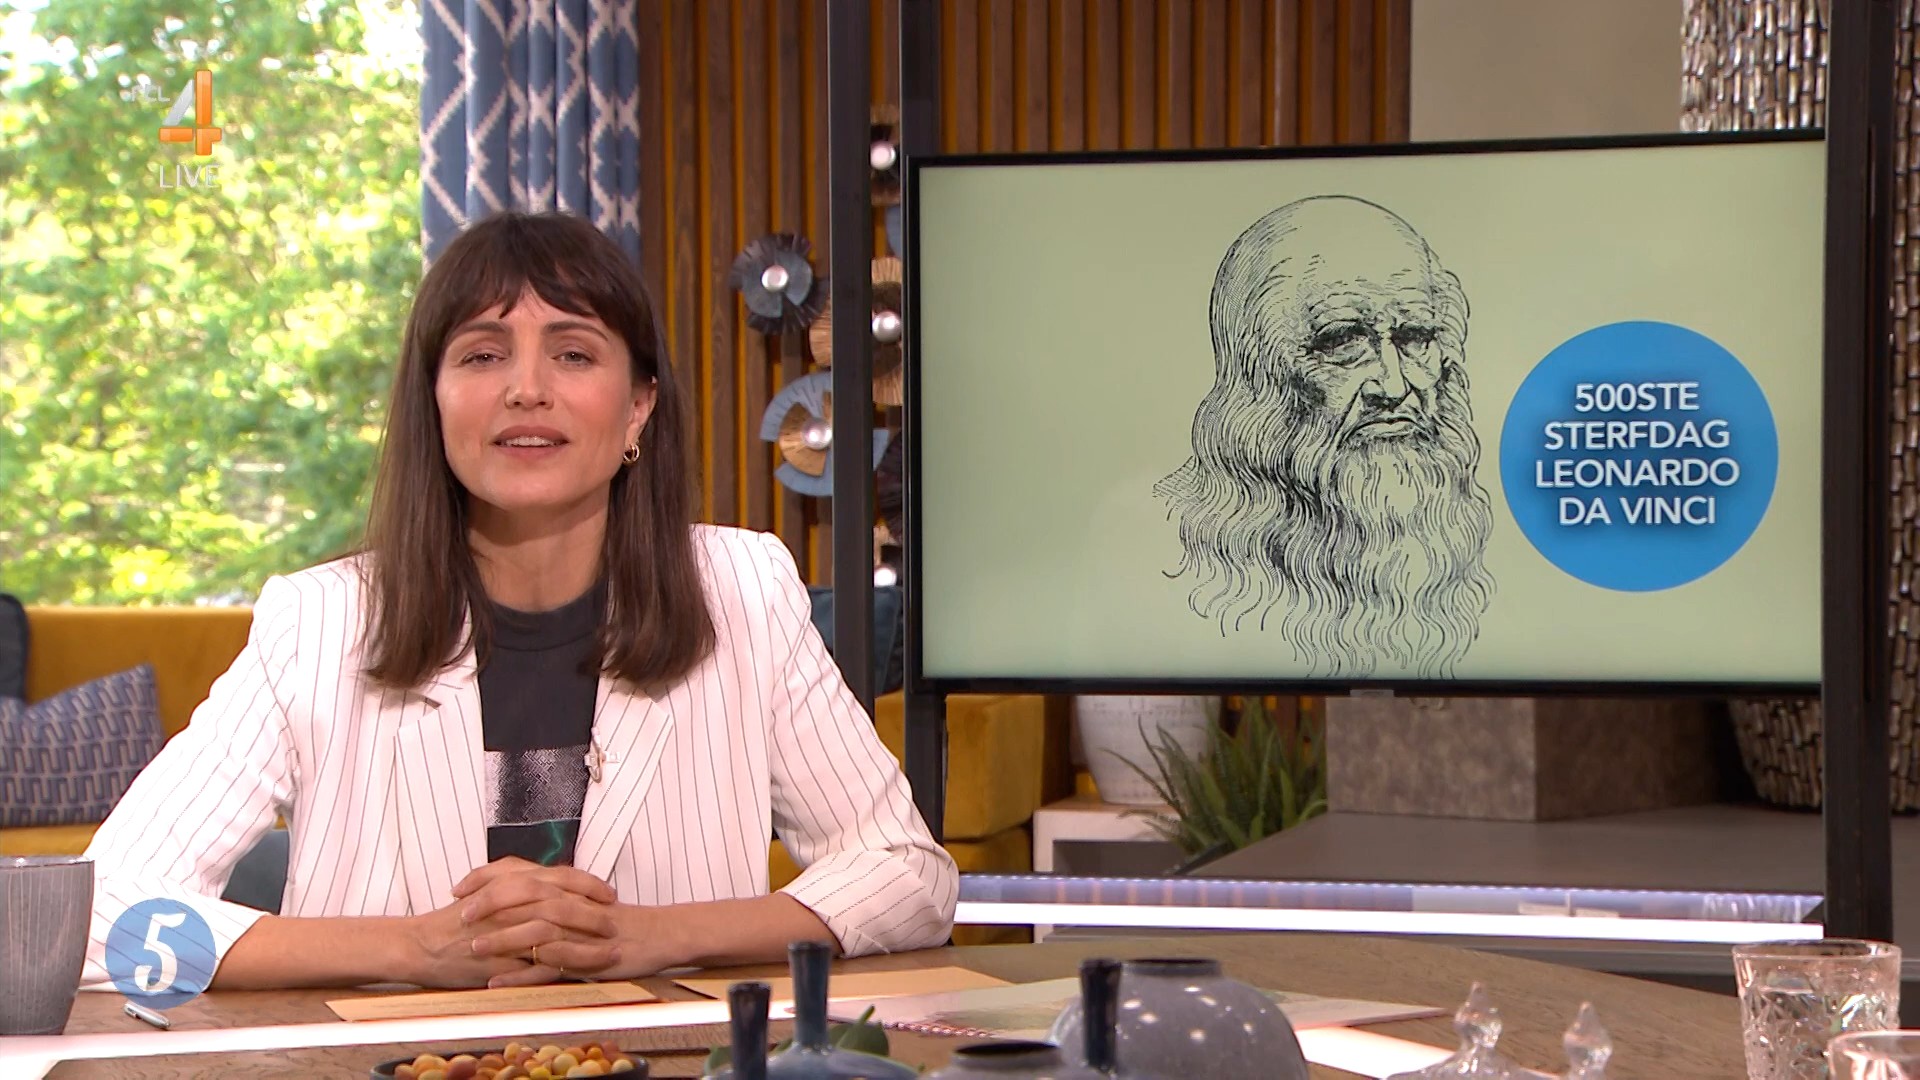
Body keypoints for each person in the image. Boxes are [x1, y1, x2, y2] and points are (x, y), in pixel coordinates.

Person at [80, 211, 956, 992]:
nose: (526, 388)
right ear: (434, 401)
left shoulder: (743, 592)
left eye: (573, 353)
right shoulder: (318, 624)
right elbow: (105, 911)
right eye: (483, 354)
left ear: (638, 408)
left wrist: (648, 937)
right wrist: (413, 949)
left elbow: (907, 873)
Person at [1154, 195, 1497, 679]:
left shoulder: (1482, 547)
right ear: (1259, 374)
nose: (1393, 387)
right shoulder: (1160, 550)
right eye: (1342, 341)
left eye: (1415, 338)